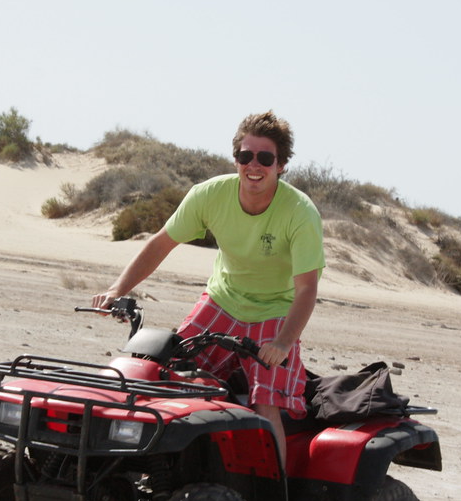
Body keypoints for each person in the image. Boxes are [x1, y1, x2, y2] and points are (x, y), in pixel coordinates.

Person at [92, 111, 325, 466]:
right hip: (223, 300)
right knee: (169, 374)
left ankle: (275, 500)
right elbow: (160, 244)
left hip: (276, 310)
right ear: (236, 158)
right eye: (246, 156)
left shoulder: (299, 212)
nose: (254, 165)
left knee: (266, 403)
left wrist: (283, 343)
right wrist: (117, 289)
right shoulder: (210, 195)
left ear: (281, 165)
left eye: (266, 158)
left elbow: (307, 288)